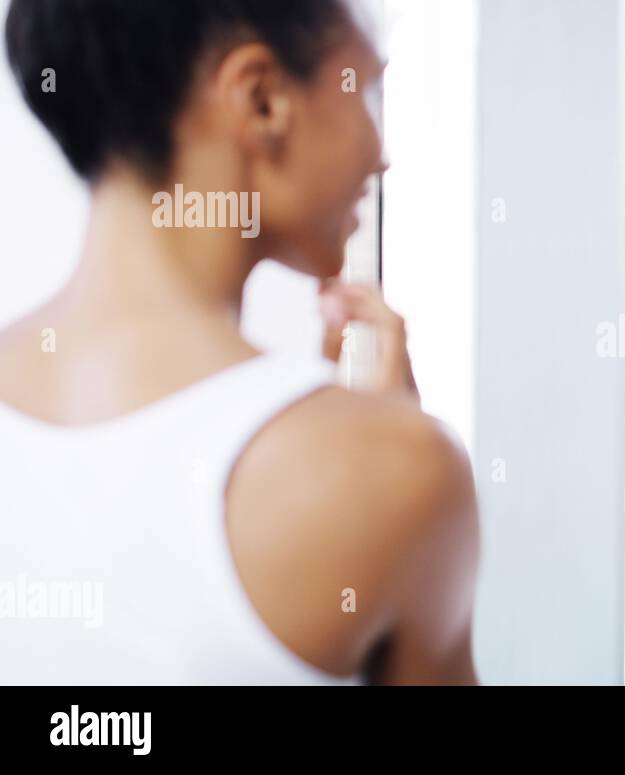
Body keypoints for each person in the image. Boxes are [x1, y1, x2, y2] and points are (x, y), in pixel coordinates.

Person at [0, 0, 478, 684]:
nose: (384, 154)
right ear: (260, 99)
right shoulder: (398, 468)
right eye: (365, 88)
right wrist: (382, 441)